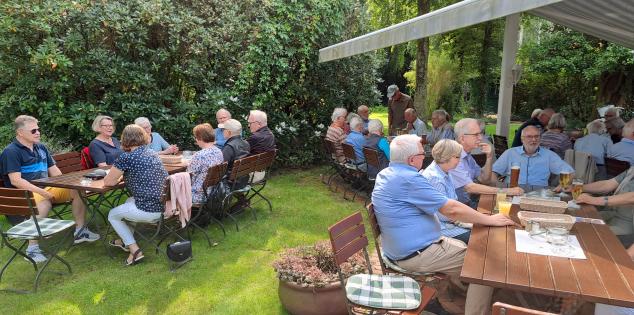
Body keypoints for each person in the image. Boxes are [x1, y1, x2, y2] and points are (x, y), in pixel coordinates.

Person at [372, 134, 516, 315]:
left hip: (410, 247)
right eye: (421, 152)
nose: (425, 155)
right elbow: (451, 210)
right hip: (416, 253)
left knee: (477, 247)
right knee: (485, 265)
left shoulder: (387, 173)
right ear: (411, 159)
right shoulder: (409, 179)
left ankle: (460, 296)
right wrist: (490, 219)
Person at [0, 115, 99, 262]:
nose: (38, 133)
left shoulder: (41, 147)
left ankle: (80, 232)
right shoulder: (11, 151)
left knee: (78, 189)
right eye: (33, 130)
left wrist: (71, 182)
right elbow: (16, 181)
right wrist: (43, 192)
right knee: (44, 202)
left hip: (47, 188)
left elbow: (55, 173)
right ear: (20, 133)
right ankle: (32, 249)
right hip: (24, 194)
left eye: (38, 129)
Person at [105, 124, 168, 266]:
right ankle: (126, 241)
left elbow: (108, 181)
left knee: (112, 214)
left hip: (149, 210)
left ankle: (135, 251)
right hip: (164, 206)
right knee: (128, 200)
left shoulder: (127, 157)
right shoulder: (151, 153)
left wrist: (119, 177)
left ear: (125, 139)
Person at [451, 118, 523, 207]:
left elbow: (484, 179)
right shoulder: (453, 156)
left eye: (480, 134)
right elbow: (469, 187)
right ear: (462, 138)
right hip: (455, 210)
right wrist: (506, 191)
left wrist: (489, 157)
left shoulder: (467, 156)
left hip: (467, 204)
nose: (481, 138)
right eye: (476, 134)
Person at [421, 139, 471, 243]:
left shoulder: (444, 171)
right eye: (457, 157)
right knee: (480, 237)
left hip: (450, 222)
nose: (460, 160)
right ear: (446, 157)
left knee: (482, 228)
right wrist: (464, 218)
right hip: (440, 229)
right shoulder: (435, 178)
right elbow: (443, 214)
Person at [494, 125, 574, 188]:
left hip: (539, 194)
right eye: (529, 136)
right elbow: (494, 172)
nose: (533, 140)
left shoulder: (549, 155)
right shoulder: (510, 153)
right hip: (512, 191)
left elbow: (570, 172)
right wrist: (498, 187)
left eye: (536, 136)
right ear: (522, 139)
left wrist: (563, 185)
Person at [573, 167, 634, 246]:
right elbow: (607, 184)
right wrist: (578, 188)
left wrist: (592, 200)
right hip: (612, 214)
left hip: (627, 225)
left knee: (585, 232)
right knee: (576, 221)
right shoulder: (632, 169)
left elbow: (631, 197)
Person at [187, 123, 224, 203]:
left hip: (198, 195)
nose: (195, 140)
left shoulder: (199, 155)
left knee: (172, 188)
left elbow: (188, 179)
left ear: (200, 138)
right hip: (214, 191)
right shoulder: (219, 151)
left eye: (196, 137)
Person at [222, 119, 250, 187]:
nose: (222, 131)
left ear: (229, 132)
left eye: (223, 129)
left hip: (230, 182)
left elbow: (221, 168)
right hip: (243, 179)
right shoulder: (246, 143)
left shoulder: (229, 147)